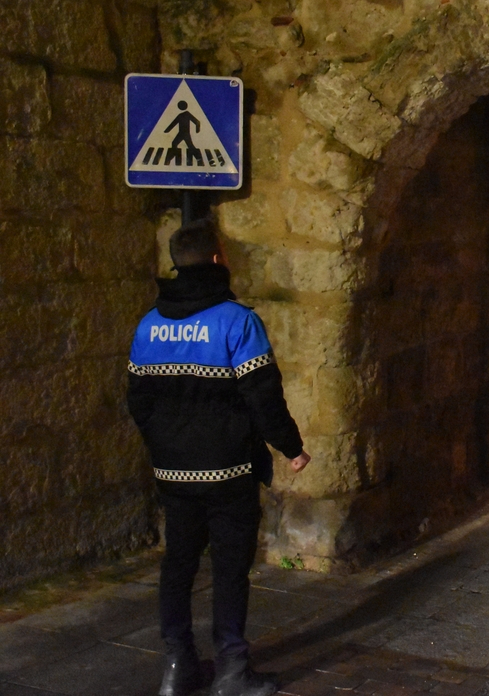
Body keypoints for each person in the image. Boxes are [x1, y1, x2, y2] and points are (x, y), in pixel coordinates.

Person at [127, 219, 311, 696]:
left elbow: (138, 402)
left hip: (172, 471)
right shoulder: (237, 321)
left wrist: (168, 443)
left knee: (178, 563)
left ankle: (177, 668)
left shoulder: (149, 324)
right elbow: (262, 395)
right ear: (216, 260)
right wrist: (290, 447)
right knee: (230, 569)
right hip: (228, 469)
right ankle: (231, 672)